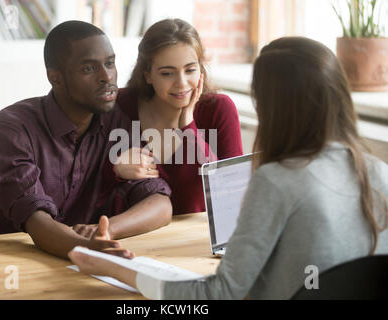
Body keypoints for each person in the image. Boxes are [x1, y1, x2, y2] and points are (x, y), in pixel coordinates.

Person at [69, 37, 388, 299]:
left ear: (271, 106)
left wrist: (116, 270)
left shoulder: (276, 181)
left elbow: (221, 293)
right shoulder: (378, 172)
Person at [0, 21, 172, 259]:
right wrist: (88, 249)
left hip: (65, 261)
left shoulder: (116, 123)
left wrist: (105, 231)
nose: (107, 76)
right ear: (55, 78)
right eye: (89, 69)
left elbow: (160, 204)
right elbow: (35, 220)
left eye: (110, 63)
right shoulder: (12, 127)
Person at [113, 19, 244, 215]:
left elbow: (230, 192)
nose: (181, 84)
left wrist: (188, 125)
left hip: (195, 238)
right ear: (147, 74)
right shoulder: (121, 104)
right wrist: (115, 170)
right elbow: (89, 178)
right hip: (133, 235)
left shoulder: (219, 109)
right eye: (167, 73)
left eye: (190, 70)